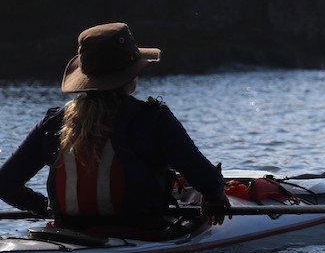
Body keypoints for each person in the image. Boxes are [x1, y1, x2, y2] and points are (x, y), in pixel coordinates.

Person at [0, 22, 228, 233]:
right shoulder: (154, 118)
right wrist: (215, 198)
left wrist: (47, 208)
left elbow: (5, 184)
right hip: (142, 233)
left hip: (69, 230)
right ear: (131, 76)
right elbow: (207, 179)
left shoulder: (54, 122)